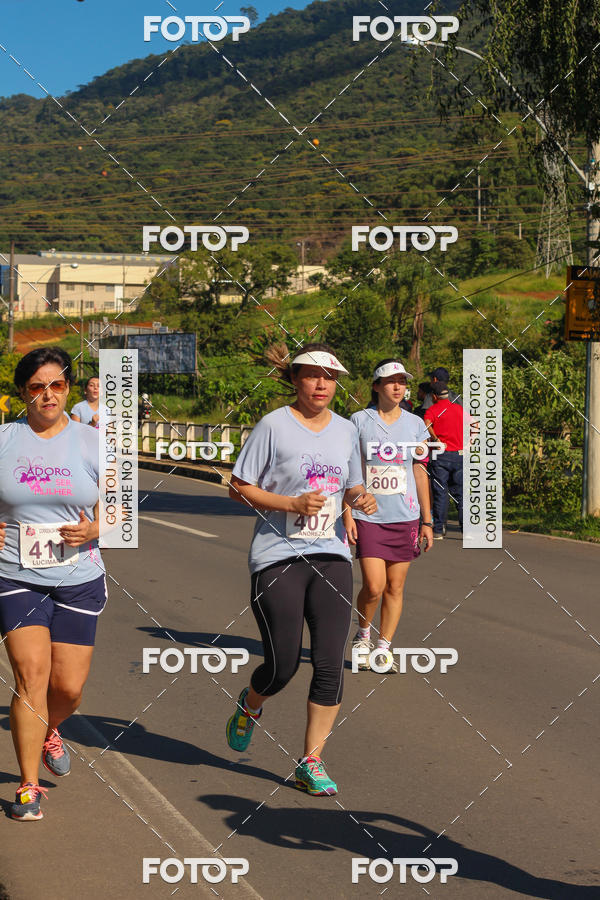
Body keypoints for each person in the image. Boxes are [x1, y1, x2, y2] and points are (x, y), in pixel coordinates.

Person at [225, 342, 377, 796]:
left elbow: (350, 485)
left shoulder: (348, 430)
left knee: (330, 662)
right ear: (295, 379)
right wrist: (290, 503)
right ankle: (252, 703)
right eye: (311, 375)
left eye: (329, 378)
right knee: (284, 664)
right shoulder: (274, 425)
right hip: (278, 555)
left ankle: (310, 761)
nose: (321, 384)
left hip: (330, 554)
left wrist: (358, 498)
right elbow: (238, 488)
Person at [0, 347, 107, 821]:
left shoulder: (94, 441)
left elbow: (125, 509)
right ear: (23, 392)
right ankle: (28, 785)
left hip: (79, 577)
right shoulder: (4, 439)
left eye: (57, 385)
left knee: (67, 689)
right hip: (15, 574)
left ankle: (51, 728)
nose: (48, 395)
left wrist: (97, 529)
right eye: (37, 387)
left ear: (67, 388)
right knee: (31, 679)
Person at [345, 359, 433, 673]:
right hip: (369, 516)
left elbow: (419, 472)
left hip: (405, 516)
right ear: (376, 386)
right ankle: (363, 634)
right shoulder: (358, 420)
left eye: (402, 381)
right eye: (390, 381)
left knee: (395, 587)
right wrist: (347, 513)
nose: (397, 386)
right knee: (373, 585)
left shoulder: (416, 424)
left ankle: (383, 649)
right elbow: (348, 472)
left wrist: (427, 520)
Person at [424, 382, 465, 539]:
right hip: (459, 456)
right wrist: (468, 445)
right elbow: (475, 425)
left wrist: (435, 438)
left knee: (441, 493)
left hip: (440, 455)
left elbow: (426, 424)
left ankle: (439, 530)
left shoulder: (432, 410)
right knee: (460, 494)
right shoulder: (459, 409)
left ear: (434, 396)